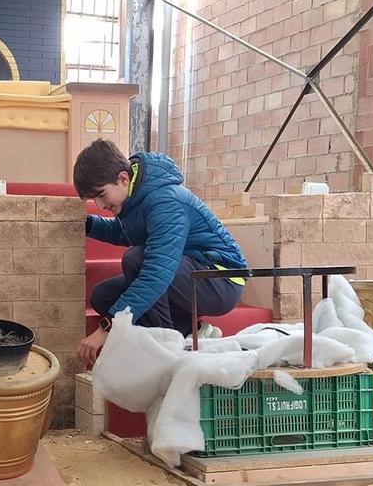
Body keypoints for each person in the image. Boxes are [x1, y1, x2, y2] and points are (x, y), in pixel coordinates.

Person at [75, 139, 248, 367]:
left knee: (137, 259)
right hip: (188, 274)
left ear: (123, 178)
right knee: (103, 296)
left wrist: (107, 327)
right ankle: (192, 329)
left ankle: (167, 347)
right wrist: (88, 224)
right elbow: (126, 233)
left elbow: (157, 273)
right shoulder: (137, 196)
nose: (99, 205)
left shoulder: (164, 201)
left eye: (101, 195)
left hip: (220, 280)